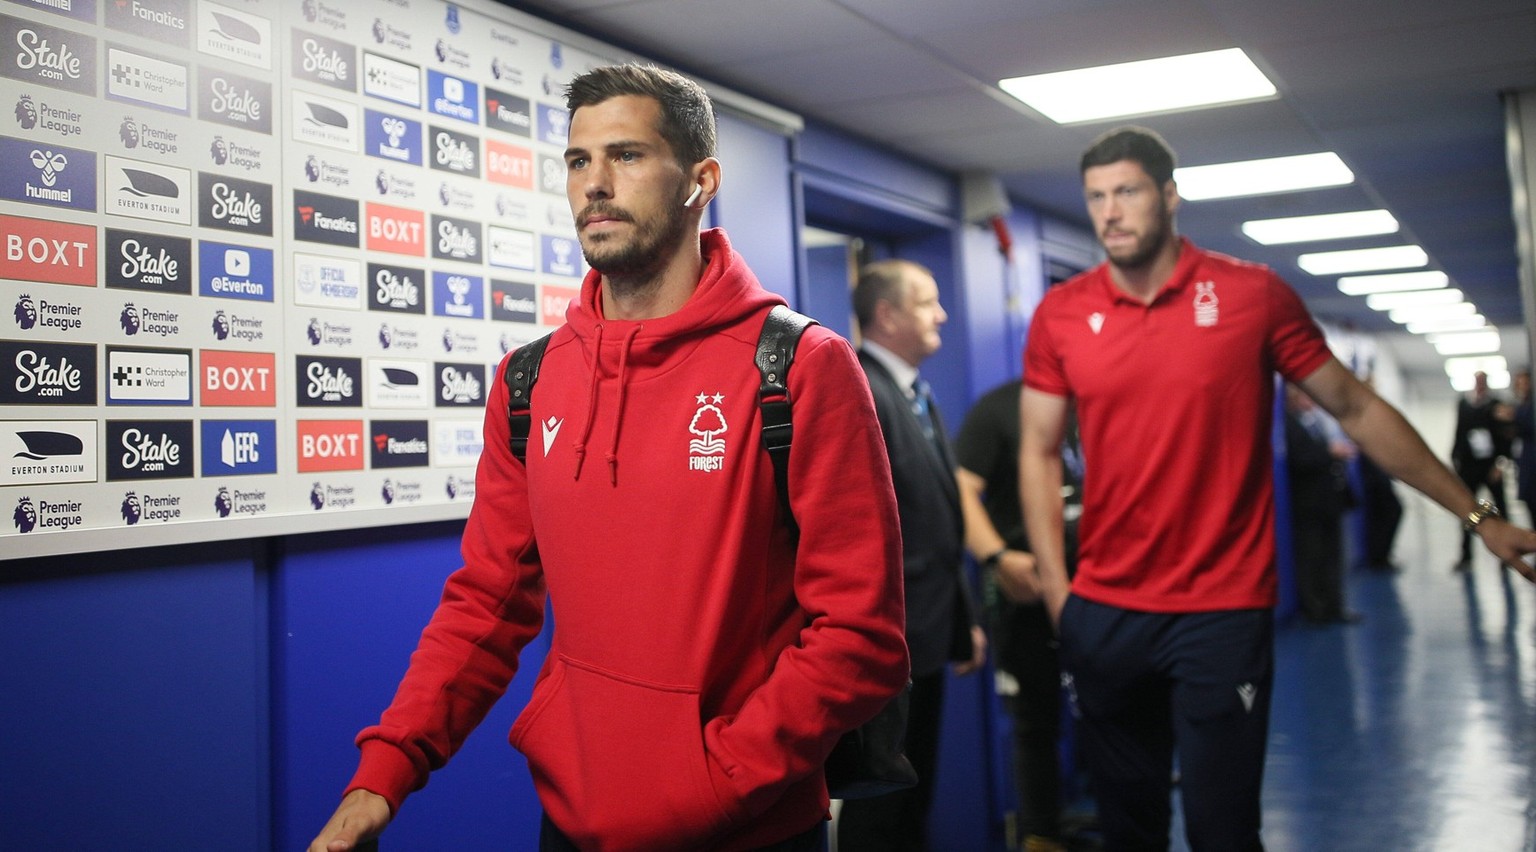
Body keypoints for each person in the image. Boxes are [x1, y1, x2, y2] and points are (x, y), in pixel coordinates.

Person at [309, 64, 910, 852]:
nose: (595, 184)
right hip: (573, 826)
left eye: (625, 156)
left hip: (746, 830)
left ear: (701, 180)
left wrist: (715, 782)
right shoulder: (530, 381)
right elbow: (486, 606)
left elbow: (860, 635)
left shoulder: (798, 366)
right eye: (578, 160)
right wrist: (384, 772)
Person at [1018, 125, 1536, 852]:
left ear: (1169, 197)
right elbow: (1038, 450)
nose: (1110, 211)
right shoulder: (1062, 314)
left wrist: (1480, 517)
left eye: (1127, 191)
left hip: (1220, 610)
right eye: (1097, 197)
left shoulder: (1250, 296)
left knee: (1223, 829)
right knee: (1126, 826)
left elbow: (1355, 407)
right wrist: (1056, 588)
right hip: (1104, 611)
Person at [838, 259, 986, 852]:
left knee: (911, 798)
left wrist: (963, 617)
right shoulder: (861, 389)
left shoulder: (916, 393)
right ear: (888, 315)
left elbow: (936, 522)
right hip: (887, 641)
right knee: (882, 808)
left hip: (928, 630)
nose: (942, 314)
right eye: (927, 302)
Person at [955, 378, 1072, 852]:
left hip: (1107, 597)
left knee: (1121, 715)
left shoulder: (1106, 395)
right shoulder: (1001, 408)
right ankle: (1042, 835)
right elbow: (961, 491)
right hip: (1028, 601)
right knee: (1035, 722)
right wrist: (997, 558)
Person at [1282, 384, 1359, 624]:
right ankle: (1314, 610)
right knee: (1310, 558)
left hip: (1329, 501)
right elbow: (1299, 458)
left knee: (1332, 557)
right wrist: (1330, 453)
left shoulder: (1316, 423)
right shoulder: (1287, 425)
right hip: (1306, 504)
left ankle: (1334, 607)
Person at [1451, 370, 1511, 570]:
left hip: (1490, 465)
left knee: (1501, 508)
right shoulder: (1464, 404)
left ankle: (1507, 552)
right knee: (1468, 509)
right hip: (1469, 466)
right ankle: (1466, 555)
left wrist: (1501, 463)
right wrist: (1456, 457)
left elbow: (1505, 437)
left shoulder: (1495, 406)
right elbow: (1459, 432)